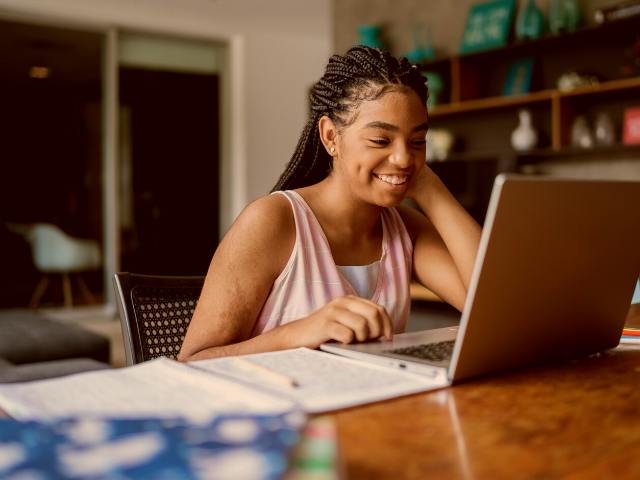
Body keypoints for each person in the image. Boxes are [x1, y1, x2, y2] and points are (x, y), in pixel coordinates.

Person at [178, 46, 481, 362]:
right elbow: (192, 361)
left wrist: (432, 191)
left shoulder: (405, 228)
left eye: (417, 142)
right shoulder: (273, 220)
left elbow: (490, 306)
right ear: (331, 137)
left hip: (373, 408)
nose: (404, 158)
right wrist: (300, 332)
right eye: (381, 140)